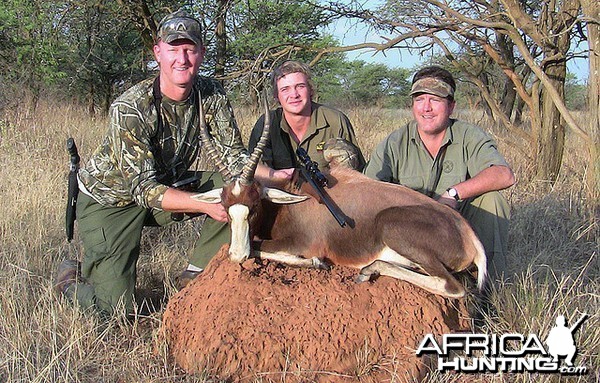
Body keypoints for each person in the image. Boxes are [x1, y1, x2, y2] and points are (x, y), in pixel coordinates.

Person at [53, 10, 248, 317]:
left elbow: (234, 156)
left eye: (189, 49)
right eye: (173, 49)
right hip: (111, 203)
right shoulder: (131, 107)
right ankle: (68, 281)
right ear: (158, 52)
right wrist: (203, 204)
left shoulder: (211, 94)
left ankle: (198, 279)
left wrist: (268, 176)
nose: (181, 59)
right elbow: (143, 189)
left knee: (237, 191)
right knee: (114, 311)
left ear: (201, 53)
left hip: (167, 186)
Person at [363, 66, 515, 284]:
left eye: (435, 100)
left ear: (451, 106)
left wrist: (453, 193)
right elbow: (369, 190)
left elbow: (504, 175)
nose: (426, 108)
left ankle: (489, 290)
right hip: (413, 231)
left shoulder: (469, 136)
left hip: (456, 227)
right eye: (419, 99)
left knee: (493, 200)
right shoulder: (394, 142)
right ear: (412, 105)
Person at [249, 60, 365, 185]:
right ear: (276, 96)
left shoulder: (335, 120)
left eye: (300, 86)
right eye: (285, 89)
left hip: (330, 196)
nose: (294, 94)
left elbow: (357, 174)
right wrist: (276, 175)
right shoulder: (266, 123)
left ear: (310, 90)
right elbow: (252, 168)